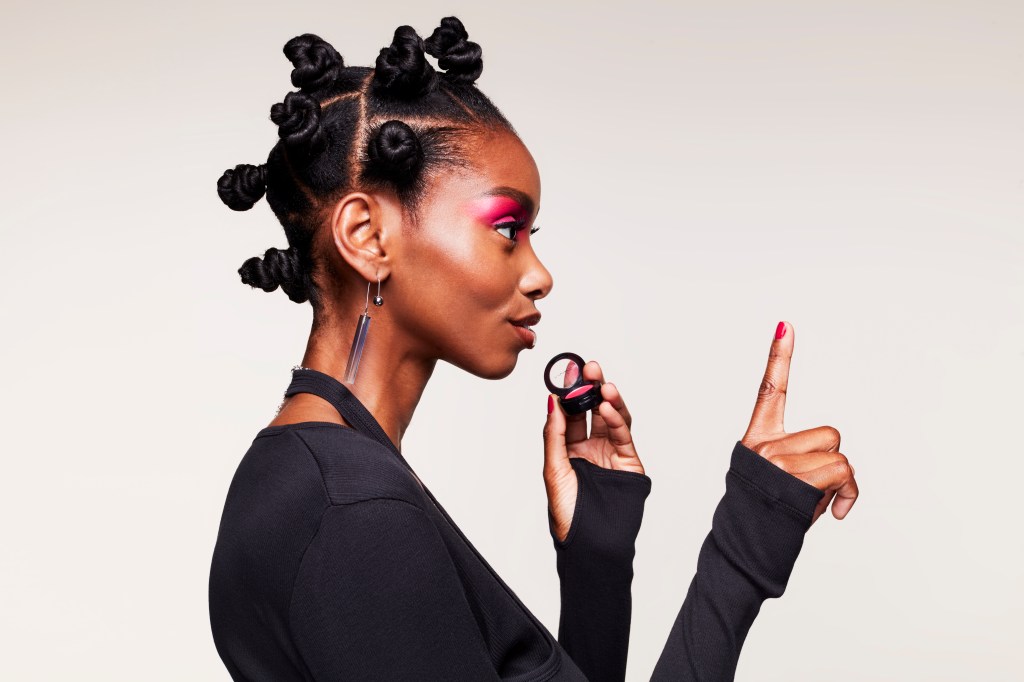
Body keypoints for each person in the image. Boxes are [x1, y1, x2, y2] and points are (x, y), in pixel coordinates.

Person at [208, 16, 860, 681]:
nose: (540, 275)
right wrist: (745, 551)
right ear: (368, 237)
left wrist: (596, 562)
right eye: (507, 229)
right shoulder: (356, 513)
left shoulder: (301, 476)